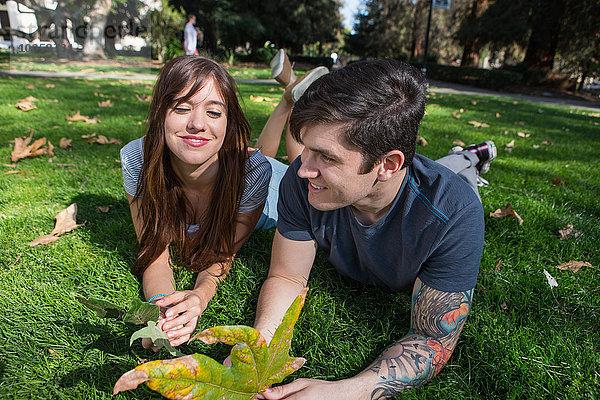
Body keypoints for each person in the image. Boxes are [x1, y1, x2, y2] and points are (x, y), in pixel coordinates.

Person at [249, 59, 497, 399]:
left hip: (442, 186)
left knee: (457, 173)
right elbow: (287, 277)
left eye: (326, 157)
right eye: (306, 148)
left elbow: (431, 340)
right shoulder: (303, 181)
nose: (304, 169)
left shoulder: (454, 214)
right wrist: (262, 347)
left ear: (387, 164)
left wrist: (344, 392)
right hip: (398, 179)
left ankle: (469, 156)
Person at [119, 54, 327, 348]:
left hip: (277, 193)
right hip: (244, 164)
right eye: (181, 108)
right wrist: (164, 309)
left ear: (229, 123)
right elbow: (154, 251)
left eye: (214, 113)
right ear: (160, 113)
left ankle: (294, 102)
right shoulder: (138, 160)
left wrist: (200, 296)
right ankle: (288, 96)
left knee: (300, 166)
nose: (197, 124)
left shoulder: (253, 173)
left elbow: (222, 252)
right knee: (263, 155)